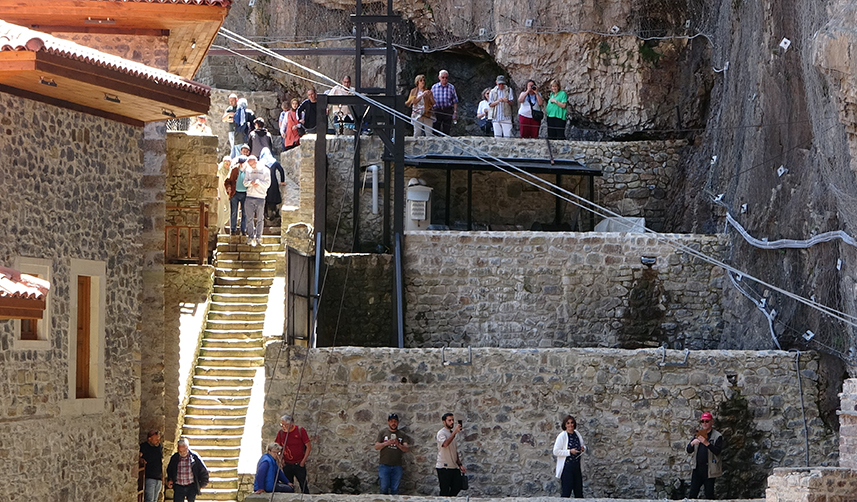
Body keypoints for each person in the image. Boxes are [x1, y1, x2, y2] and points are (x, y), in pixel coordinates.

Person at [686, 412, 723, 499]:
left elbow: (717, 451)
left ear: (711, 422)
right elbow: (688, 450)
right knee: (692, 494)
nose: (704, 423)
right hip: (698, 468)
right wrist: (692, 443)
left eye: (707, 421)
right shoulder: (699, 434)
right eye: (702, 421)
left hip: (709, 469)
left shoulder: (717, 436)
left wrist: (707, 443)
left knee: (709, 494)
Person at [374, 413, 412, 495]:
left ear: (398, 422)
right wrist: (386, 443)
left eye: (395, 421)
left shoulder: (402, 434)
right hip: (384, 465)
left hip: (397, 465)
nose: (393, 423)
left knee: (395, 489)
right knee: (384, 487)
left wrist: (398, 444)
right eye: (391, 421)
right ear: (388, 422)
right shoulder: (383, 432)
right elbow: (376, 446)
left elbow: (407, 449)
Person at [275, 414, 312, 493]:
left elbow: (308, 447)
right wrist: (280, 459)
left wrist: (302, 462)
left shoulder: (300, 430)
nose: (283, 427)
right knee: (288, 486)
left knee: (303, 484)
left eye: (285, 425)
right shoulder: (281, 433)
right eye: (282, 425)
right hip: (287, 464)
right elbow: (276, 448)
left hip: (299, 463)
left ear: (291, 424)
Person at [166, 437, 209, 502]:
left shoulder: (194, 457)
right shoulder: (175, 458)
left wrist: (201, 485)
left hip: (191, 486)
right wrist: (170, 479)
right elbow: (170, 470)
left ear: (187, 448)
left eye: (184, 450)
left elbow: (203, 471)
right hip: (178, 486)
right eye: (180, 451)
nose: (182, 453)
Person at [553, 415, 586, 498]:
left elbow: (583, 445)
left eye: (572, 423)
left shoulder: (577, 434)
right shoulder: (562, 436)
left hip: (576, 465)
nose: (570, 425)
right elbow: (556, 451)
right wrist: (569, 452)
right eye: (568, 423)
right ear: (565, 425)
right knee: (566, 491)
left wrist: (583, 448)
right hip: (567, 466)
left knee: (578, 491)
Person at [242, 155, 270, 247]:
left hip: (260, 197)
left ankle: (258, 237)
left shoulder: (265, 170)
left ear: (256, 162)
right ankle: (250, 236)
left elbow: (267, 184)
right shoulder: (248, 170)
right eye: (249, 165)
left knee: (260, 219)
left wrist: (258, 182)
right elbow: (245, 183)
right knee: (249, 218)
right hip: (250, 196)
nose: (251, 167)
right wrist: (251, 183)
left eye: (252, 164)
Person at [436, 412, 466, 496]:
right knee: (444, 490)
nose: (452, 422)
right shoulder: (441, 433)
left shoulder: (451, 434)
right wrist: (454, 432)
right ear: (444, 422)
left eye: (452, 420)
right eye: (449, 420)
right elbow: (445, 444)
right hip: (444, 467)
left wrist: (460, 464)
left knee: (458, 486)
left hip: (453, 466)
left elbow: (454, 451)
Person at [225, 150, 249, 236]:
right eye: (240, 163)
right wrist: (229, 188)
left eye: (243, 163)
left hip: (245, 194)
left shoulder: (249, 171)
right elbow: (228, 181)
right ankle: (233, 229)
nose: (242, 164)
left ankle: (243, 229)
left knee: (245, 212)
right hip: (235, 193)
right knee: (234, 212)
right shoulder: (234, 170)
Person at [259, 147, 286, 222]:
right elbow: (281, 170)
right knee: (273, 197)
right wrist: (282, 181)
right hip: (273, 182)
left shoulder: (261, 162)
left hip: (263, 182)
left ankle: (264, 214)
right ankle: (273, 212)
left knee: (264, 197)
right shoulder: (273, 161)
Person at [431, 70, 458, 135]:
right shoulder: (434, 87)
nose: (444, 79)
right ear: (439, 77)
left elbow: (455, 101)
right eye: (443, 77)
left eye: (446, 77)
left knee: (447, 129)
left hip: (447, 110)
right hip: (437, 110)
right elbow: (430, 99)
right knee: (436, 129)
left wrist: (455, 112)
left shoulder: (451, 87)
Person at [139, 429, 164, 502]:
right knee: (149, 499)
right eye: (156, 439)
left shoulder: (158, 447)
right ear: (150, 439)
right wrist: (141, 460)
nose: (158, 441)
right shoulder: (144, 446)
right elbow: (138, 457)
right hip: (149, 477)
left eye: (158, 439)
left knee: (155, 499)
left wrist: (162, 476)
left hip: (158, 477)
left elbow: (160, 461)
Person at [216, 155, 232, 234]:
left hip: (226, 193)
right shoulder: (219, 170)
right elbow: (216, 184)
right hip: (220, 193)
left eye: (229, 164)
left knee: (229, 210)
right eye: (226, 164)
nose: (227, 166)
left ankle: (220, 224)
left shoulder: (229, 171)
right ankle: (221, 228)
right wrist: (218, 194)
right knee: (221, 210)